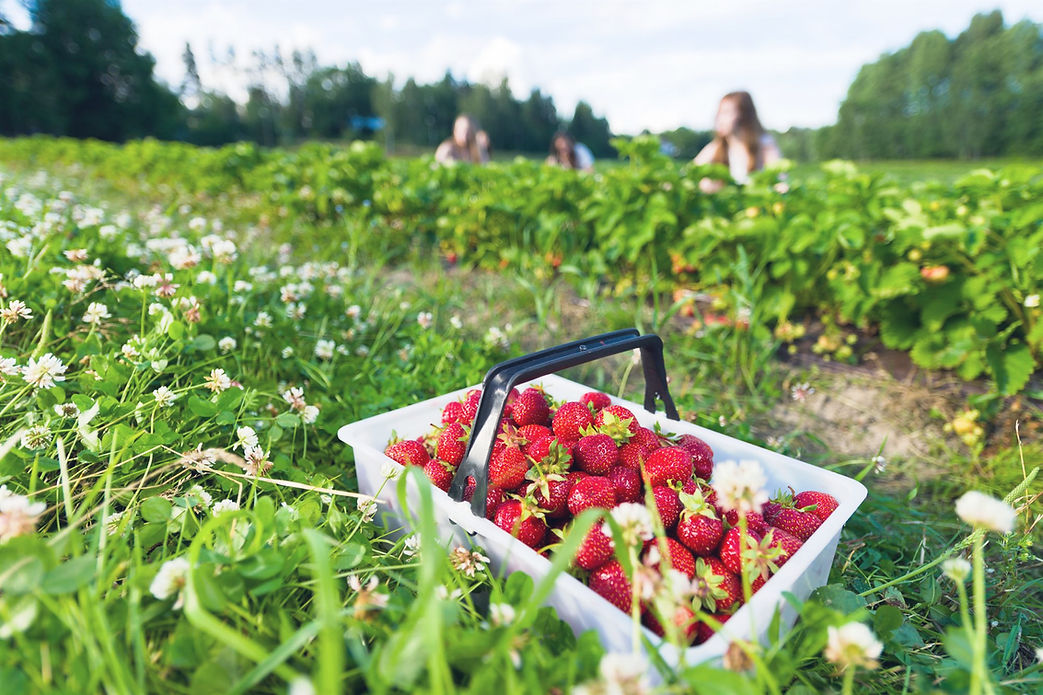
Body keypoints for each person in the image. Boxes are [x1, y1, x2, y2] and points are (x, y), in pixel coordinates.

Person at [693, 91, 781, 192]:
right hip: (730, 204)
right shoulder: (717, 147)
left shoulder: (764, 144)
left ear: (743, 115)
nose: (719, 119)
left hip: (756, 203)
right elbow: (691, 172)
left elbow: (779, 179)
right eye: (719, 113)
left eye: (726, 113)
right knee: (706, 182)